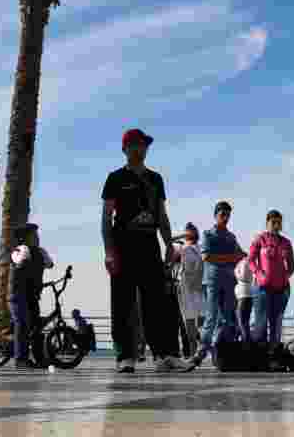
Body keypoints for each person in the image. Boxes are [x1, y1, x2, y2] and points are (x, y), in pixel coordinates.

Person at [101, 128, 190, 373]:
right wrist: (109, 251)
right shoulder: (115, 178)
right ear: (125, 148)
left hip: (149, 242)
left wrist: (169, 244)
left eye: (144, 145)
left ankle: (164, 355)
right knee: (122, 301)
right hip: (123, 243)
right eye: (135, 144)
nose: (141, 149)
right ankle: (124, 356)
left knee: (157, 301)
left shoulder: (155, 179)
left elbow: (162, 215)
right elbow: (106, 218)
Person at [193, 201, 245, 366]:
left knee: (227, 319)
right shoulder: (208, 234)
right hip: (212, 281)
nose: (225, 217)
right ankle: (201, 353)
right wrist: (231, 258)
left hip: (230, 282)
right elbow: (207, 257)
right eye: (222, 214)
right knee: (211, 317)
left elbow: (242, 254)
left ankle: (221, 353)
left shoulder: (232, 237)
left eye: (228, 215)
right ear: (216, 215)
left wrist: (234, 257)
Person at [248, 210, 294, 345]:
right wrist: (259, 273)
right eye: (273, 222)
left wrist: (284, 276)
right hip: (262, 289)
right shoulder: (259, 239)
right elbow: (250, 260)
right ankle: (260, 357)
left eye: (279, 223)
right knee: (261, 325)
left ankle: (274, 357)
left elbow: (292, 265)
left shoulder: (286, 242)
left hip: (281, 290)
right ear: (267, 223)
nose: (276, 225)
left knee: (276, 325)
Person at [9, 223, 53, 369]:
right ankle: (20, 360)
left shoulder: (40, 251)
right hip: (18, 294)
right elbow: (19, 260)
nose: (37, 238)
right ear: (25, 238)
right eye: (33, 236)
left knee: (36, 327)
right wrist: (23, 261)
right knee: (22, 325)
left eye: (37, 235)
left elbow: (49, 264)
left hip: (32, 294)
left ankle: (40, 359)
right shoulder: (20, 249)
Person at [175, 222, 204, 358]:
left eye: (192, 230)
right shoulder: (182, 248)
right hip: (185, 286)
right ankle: (192, 354)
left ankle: (202, 348)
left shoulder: (200, 248)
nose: (190, 233)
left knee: (202, 320)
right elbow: (169, 242)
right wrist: (182, 236)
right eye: (187, 231)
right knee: (189, 321)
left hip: (199, 287)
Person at [234, 255, 255, 342]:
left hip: (244, 294)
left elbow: (243, 276)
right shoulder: (248, 262)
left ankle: (246, 342)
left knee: (242, 321)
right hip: (245, 294)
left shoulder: (244, 262)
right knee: (244, 321)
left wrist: (235, 273)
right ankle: (244, 340)